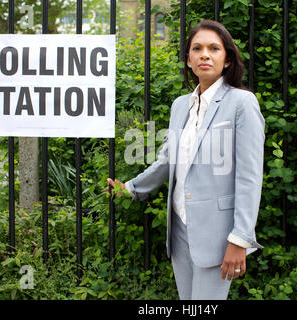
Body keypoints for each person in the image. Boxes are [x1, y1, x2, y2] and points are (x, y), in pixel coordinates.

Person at [107, 19, 265, 300]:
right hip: (179, 230)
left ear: (227, 59)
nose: (205, 54)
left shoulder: (242, 103)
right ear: (189, 60)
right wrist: (130, 188)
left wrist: (240, 238)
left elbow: (249, 176)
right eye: (197, 48)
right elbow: (168, 161)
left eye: (214, 48)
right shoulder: (181, 105)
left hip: (218, 235)